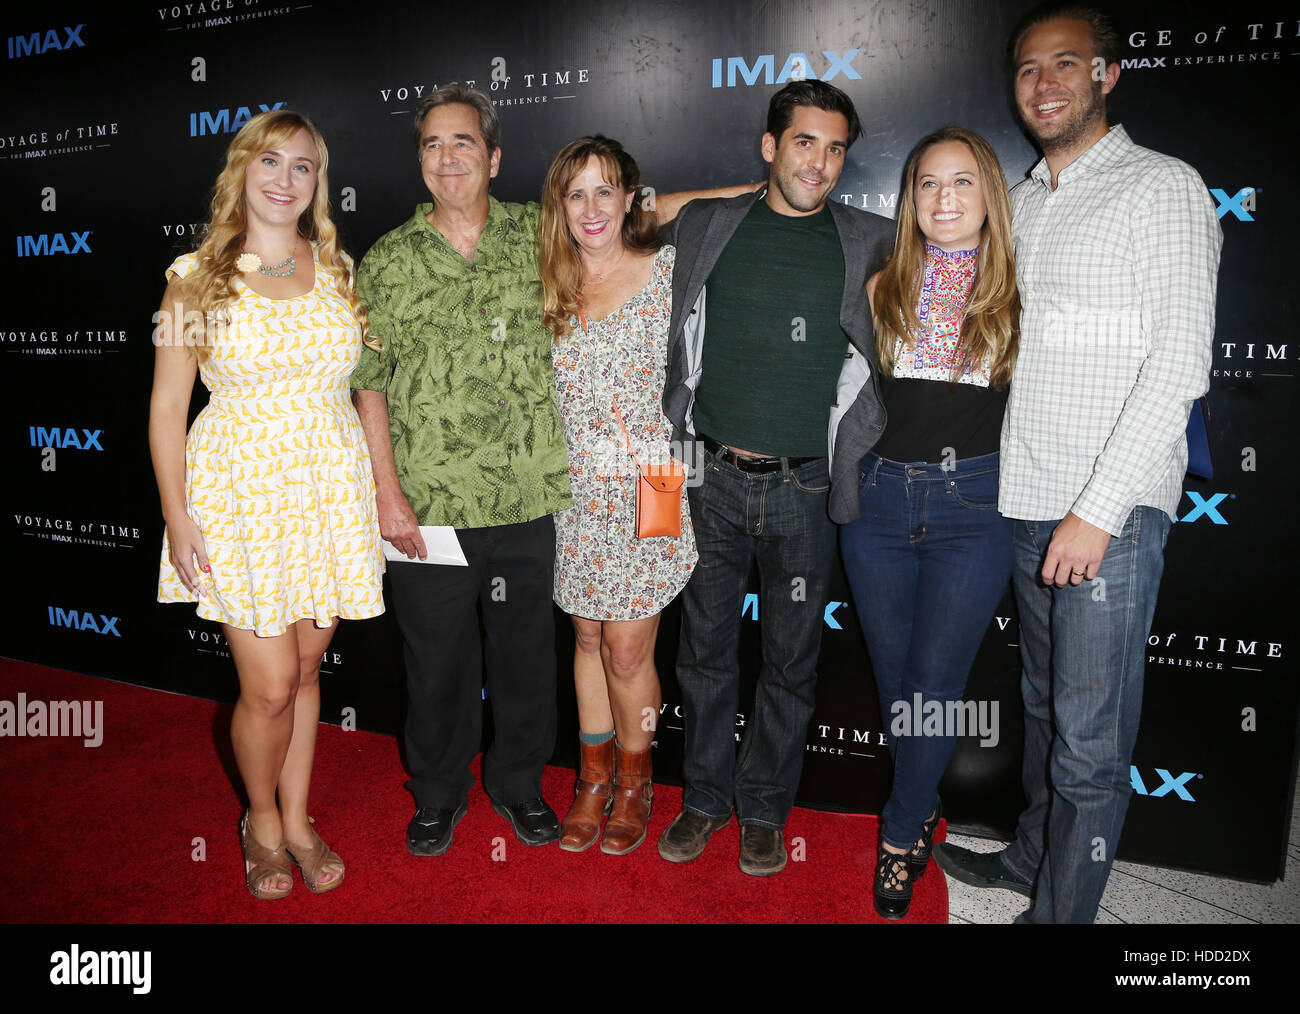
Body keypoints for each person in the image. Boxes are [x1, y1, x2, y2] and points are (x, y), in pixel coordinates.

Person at [351, 85, 734, 856]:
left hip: (580, 491)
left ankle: (573, 785)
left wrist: (773, 184)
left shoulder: (554, 240)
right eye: (432, 144)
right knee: (466, 662)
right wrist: (384, 492)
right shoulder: (404, 258)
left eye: (464, 142)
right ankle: (455, 795)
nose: (448, 157)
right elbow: (369, 379)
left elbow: (675, 209)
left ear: (494, 158)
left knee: (570, 655)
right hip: (452, 500)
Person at [933, 3, 1222, 923]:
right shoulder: (1019, 200)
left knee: (1090, 743)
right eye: (1027, 70)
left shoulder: (1161, 187)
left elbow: (1179, 365)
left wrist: (1096, 512)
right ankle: (1030, 860)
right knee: (1048, 712)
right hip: (1026, 500)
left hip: (1111, 512)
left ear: (1108, 75)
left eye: (1066, 64)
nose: (1045, 84)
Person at [657, 80, 894, 876]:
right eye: (803, 143)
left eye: (834, 149)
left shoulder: (870, 238)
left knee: (792, 664)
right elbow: (631, 210)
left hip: (808, 490)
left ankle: (763, 810)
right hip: (707, 477)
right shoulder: (710, 224)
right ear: (770, 145)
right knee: (703, 655)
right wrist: (751, 193)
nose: (819, 163)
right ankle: (702, 801)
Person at [149, 110, 384, 899]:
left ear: (319, 182)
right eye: (271, 162)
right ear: (242, 169)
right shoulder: (194, 277)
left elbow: (358, 385)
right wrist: (178, 517)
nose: (286, 180)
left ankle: (299, 817)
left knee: (311, 668)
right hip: (240, 500)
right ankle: (260, 820)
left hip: (328, 490)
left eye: (304, 167)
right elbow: (165, 409)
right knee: (271, 685)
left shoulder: (339, 268)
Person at [839, 127, 1020, 919]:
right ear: (910, 199)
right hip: (878, 502)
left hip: (972, 508)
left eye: (963, 183)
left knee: (935, 687)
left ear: (990, 196)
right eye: (928, 185)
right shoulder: (883, 284)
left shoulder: (1022, 287)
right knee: (896, 684)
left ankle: (901, 830)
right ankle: (915, 808)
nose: (944, 200)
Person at [538, 136, 698, 855]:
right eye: (577, 193)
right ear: (560, 206)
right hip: (574, 488)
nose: (592, 208)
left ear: (634, 197)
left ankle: (636, 782)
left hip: (653, 481)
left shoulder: (669, 270)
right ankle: (592, 778)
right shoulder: (548, 283)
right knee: (587, 635)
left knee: (630, 650)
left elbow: (730, 207)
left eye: (607, 190)